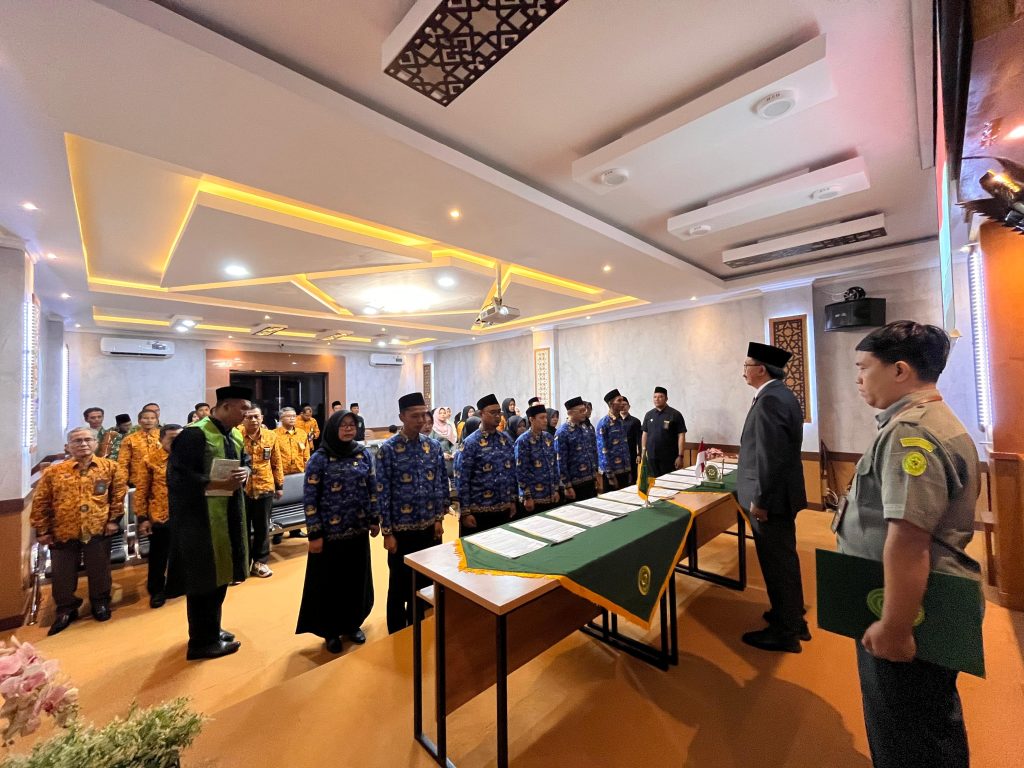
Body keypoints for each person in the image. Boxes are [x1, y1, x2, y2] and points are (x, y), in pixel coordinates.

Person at [836, 321, 979, 768]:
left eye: (864, 367)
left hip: (912, 607)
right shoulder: (928, 420)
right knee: (929, 721)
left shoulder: (910, 433)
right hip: (921, 598)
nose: (858, 379)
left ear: (900, 370)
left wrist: (895, 627)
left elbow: (909, 541)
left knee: (908, 734)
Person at [166, 386, 253, 661]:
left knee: (221, 576)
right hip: (200, 521)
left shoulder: (234, 434)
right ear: (225, 406)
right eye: (242, 408)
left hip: (228, 516)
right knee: (203, 581)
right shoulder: (194, 434)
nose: (247, 414)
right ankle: (201, 642)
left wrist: (245, 471)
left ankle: (211, 630)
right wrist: (212, 482)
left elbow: (246, 461)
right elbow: (178, 476)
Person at [737, 342, 808, 654]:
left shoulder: (770, 400)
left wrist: (761, 500)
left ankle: (785, 632)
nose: (743, 372)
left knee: (777, 563)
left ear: (761, 370)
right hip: (780, 495)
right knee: (784, 560)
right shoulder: (781, 395)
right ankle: (791, 616)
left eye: (746, 366)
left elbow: (771, 455)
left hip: (771, 500)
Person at [31, 427, 128, 635]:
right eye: (77, 441)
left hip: (97, 527)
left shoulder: (110, 467)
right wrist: (42, 530)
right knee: (62, 574)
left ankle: (100, 602)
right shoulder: (54, 472)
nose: (83, 444)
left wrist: (114, 520)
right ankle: (66, 609)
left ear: (95, 443)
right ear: (68, 446)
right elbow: (41, 501)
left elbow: (118, 496)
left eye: (87, 440)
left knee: (99, 569)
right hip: (63, 530)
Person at [296, 410, 379, 653]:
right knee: (330, 584)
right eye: (343, 425)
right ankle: (330, 631)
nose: (348, 429)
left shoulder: (362, 453)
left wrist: (374, 518)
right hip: (329, 536)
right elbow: (309, 498)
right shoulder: (319, 458)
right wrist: (314, 534)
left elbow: (372, 487)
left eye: (352, 425)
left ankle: (352, 624)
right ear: (333, 428)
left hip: (358, 531)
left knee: (355, 580)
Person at [376, 392, 448, 634]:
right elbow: (382, 493)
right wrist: (387, 532)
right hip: (401, 531)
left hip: (429, 527)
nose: (421, 420)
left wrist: (439, 519)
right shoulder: (388, 450)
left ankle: (419, 626)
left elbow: (440, 484)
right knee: (399, 583)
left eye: (424, 415)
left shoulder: (433, 446)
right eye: (415, 416)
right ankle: (397, 633)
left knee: (425, 582)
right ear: (402, 417)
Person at [135, 424, 183, 608]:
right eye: (172, 439)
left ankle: (177, 584)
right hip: (161, 515)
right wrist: (142, 518)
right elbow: (141, 492)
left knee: (182, 553)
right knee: (158, 556)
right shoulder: (150, 460)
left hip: (185, 515)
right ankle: (156, 590)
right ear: (161, 439)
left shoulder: (188, 458)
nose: (177, 442)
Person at [455, 394, 517, 535]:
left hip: (504, 508)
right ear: (481, 414)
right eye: (493, 412)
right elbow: (462, 479)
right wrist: (465, 512)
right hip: (479, 512)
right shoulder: (471, 443)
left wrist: (512, 500)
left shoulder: (505, 440)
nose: (497, 416)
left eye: (499, 412)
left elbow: (511, 473)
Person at [241, 406, 284, 578]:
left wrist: (279, 485)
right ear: (243, 419)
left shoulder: (271, 436)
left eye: (256, 417)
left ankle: (260, 562)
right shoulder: (236, 435)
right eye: (249, 417)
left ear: (262, 418)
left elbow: (276, 461)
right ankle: (242, 564)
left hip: (265, 486)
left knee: (262, 527)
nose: (253, 420)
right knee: (241, 528)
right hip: (241, 489)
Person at [514, 404, 561, 516]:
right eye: (541, 418)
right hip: (533, 498)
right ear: (531, 419)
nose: (545, 420)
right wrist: (527, 496)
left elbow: (554, 465)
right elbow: (520, 471)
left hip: (550, 494)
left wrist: (555, 489)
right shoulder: (523, 441)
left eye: (546, 417)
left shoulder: (548, 437)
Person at [555, 396, 601, 502]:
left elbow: (593, 453)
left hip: (590, 480)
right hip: (575, 484)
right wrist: (567, 486)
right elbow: (560, 462)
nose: (585, 413)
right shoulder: (562, 432)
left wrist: (596, 475)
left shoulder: (586, 428)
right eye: (581, 411)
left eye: (585, 410)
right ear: (570, 413)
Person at [641, 386, 687, 477]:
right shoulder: (649, 414)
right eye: (655, 397)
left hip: (669, 458)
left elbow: (681, 435)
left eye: (660, 397)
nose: (657, 399)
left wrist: (680, 456)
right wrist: (643, 452)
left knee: (668, 482)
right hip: (651, 457)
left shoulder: (675, 414)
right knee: (652, 482)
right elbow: (645, 434)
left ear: (666, 399)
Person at [596, 389, 632, 490]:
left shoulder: (621, 421)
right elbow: (603, 451)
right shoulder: (604, 423)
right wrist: (610, 475)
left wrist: (628, 470)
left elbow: (625, 447)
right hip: (612, 473)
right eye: (619, 401)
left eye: (622, 400)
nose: (622, 403)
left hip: (624, 470)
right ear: (611, 404)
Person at [118, 408, 161, 486]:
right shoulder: (130, 439)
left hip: (161, 481)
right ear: (139, 421)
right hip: (137, 482)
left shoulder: (164, 437)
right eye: (145, 418)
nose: (149, 421)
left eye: (152, 418)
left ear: (157, 421)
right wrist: (122, 484)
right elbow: (123, 464)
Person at [621, 397, 643, 484]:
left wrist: (639, 454)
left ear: (629, 406)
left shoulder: (635, 421)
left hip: (631, 454)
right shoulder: (615, 421)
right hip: (619, 456)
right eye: (621, 405)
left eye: (625, 405)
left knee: (632, 477)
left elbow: (639, 439)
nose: (623, 407)